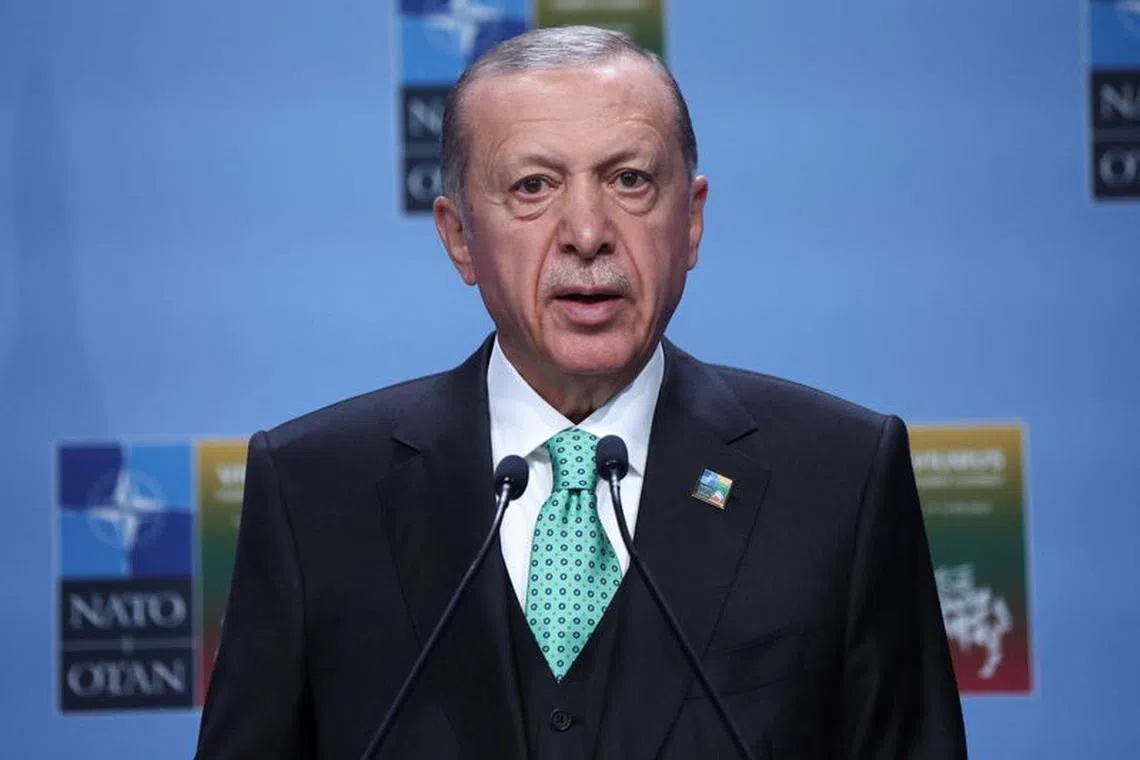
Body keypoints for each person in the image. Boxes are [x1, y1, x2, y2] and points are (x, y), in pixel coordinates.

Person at [195, 25, 967, 760]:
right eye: (534, 186)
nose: (588, 232)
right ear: (460, 236)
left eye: (629, 180)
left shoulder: (838, 481)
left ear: (691, 221)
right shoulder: (314, 493)